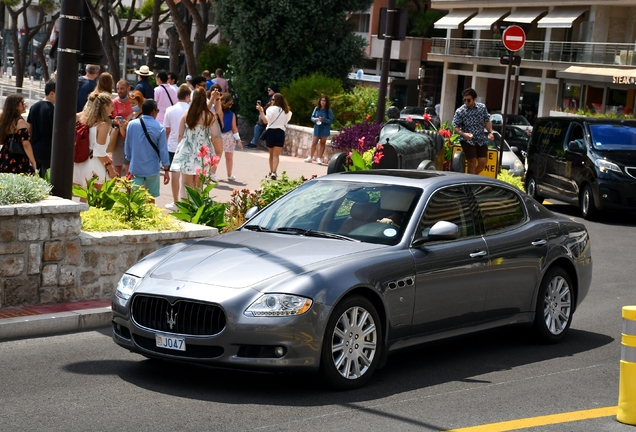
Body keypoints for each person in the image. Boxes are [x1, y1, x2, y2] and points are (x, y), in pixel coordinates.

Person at [171, 87, 223, 188]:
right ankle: (197, 203)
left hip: (187, 149)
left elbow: (180, 135)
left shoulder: (187, 113)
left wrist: (180, 146)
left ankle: (185, 203)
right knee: (199, 184)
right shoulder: (209, 115)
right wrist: (208, 141)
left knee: (185, 183)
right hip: (202, 151)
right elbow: (215, 134)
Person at [124, 99, 171, 201]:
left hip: (136, 167)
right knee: (150, 198)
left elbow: (127, 146)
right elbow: (163, 150)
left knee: (135, 200)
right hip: (152, 168)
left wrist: (130, 161)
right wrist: (166, 169)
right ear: (153, 111)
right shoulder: (160, 128)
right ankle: (150, 216)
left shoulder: (131, 125)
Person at [73, 92, 119, 186]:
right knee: (99, 198)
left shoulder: (87, 121)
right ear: (105, 106)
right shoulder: (103, 125)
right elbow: (99, 152)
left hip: (81, 164)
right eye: (112, 106)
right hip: (94, 166)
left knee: (84, 197)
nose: (113, 108)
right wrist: (111, 171)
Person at [452, 88, 494, 175]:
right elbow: (455, 127)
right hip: (467, 140)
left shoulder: (482, 108)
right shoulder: (460, 111)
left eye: (468, 100)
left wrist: (490, 132)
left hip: (480, 138)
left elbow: (487, 121)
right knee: (472, 162)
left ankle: (469, 178)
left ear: (474, 99)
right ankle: (470, 185)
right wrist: (463, 134)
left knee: (483, 162)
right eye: (464, 100)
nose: (466, 102)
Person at [163, 84, 191, 210]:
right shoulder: (191, 110)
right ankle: (187, 202)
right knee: (187, 176)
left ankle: (175, 202)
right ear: (187, 96)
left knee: (175, 175)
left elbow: (167, 130)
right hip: (187, 146)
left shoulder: (170, 110)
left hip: (173, 145)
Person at [256, 92, 292, 180]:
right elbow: (285, 123)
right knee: (276, 155)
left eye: (272, 99)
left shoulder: (271, 109)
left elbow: (265, 121)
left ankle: (271, 171)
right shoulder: (288, 112)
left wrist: (261, 111)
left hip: (271, 132)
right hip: (280, 132)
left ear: (275, 100)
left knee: (271, 154)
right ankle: (274, 172)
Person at [0, 94, 36, 175]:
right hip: (17, 158)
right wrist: (33, 160)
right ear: (15, 106)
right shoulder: (19, 121)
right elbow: (26, 143)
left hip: (5, 156)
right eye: (22, 103)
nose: (25, 105)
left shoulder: (4, 120)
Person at [26, 80, 56, 177]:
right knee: (48, 180)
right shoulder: (53, 110)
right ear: (52, 93)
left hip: (35, 149)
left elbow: (29, 128)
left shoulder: (34, 107)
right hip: (49, 151)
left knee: (37, 179)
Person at [111, 80, 133, 176]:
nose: (119, 91)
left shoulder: (133, 101)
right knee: (117, 166)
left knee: (130, 167)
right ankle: (116, 189)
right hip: (118, 138)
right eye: (118, 89)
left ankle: (129, 190)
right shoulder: (113, 102)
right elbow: (108, 119)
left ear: (128, 89)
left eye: (122, 89)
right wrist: (114, 122)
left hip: (132, 137)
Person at [219, 93, 242, 181]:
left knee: (216, 156)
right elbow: (234, 128)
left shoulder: (218, 112)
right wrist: (238, 140)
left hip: (219, 135)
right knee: (229, 158)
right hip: (228, 136)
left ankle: (211, 173)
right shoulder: (232, 114)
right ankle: (229, 175)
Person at [305, 95, 333, 165]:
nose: (323, 102)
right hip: (317, 127)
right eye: (322, 100)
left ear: (326, 102)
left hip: (325, 128)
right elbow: (312, 117)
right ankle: (310, 157)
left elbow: (331, 120)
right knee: (314, 142)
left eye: (324, 101)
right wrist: (315, 119)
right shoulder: (316, 108)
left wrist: (324, 120)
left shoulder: (328, 110)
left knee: (322, 143)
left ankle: (319, 158)